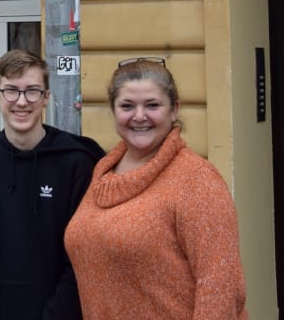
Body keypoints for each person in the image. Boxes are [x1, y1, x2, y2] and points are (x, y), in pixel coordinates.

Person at [64, 57, 247, 320]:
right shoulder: (103, 175)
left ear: (174, 110)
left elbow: (221, 288)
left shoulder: (196, 180)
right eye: (127, 106)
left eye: (152, 105)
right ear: (113, 111)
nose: (140, 116)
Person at [0, 49, 103, 320]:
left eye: (32, 91)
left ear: (46, 98)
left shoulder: (76, 163)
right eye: (11, 90)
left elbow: (84, 257)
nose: (21, 101)